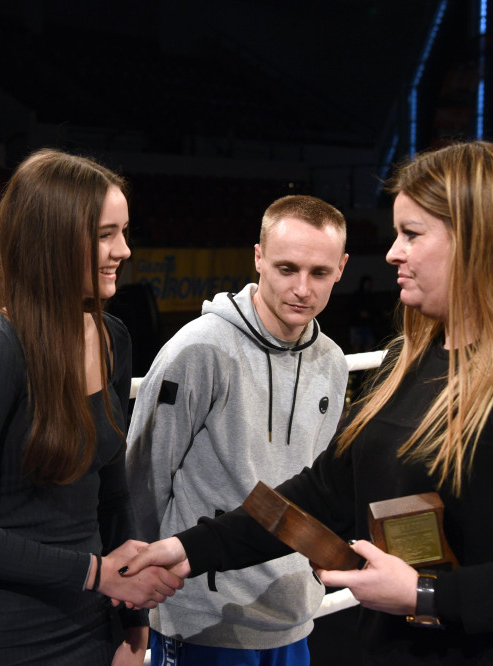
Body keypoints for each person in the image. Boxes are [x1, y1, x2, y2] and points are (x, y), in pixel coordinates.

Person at [122, 141, 493, 665]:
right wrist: (189, 550)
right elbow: (324, 490)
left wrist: (428, 595)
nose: (394, 251)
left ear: (476, 240)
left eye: (411, 234)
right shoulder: (409, 360)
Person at [0, 149, 184, 665]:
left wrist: (134, 624)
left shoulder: (112, 338)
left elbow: (112, 494)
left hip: (88, 625)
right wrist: (94, 573)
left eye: (124, 231)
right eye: (106, 234)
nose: (124, 250)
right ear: (55, 240)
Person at [125, 195, 349, 665]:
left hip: (292, 612)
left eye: (319, 273)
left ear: (342, 268)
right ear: (258, 258)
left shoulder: (332, 361)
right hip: (202, 616)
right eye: (287, 268)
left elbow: (318, 489)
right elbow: (143, 482)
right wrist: (134, 600)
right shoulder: (198, 349)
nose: (302, 289)